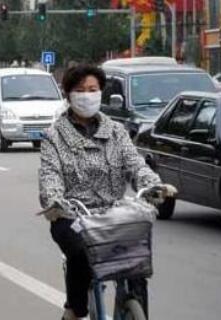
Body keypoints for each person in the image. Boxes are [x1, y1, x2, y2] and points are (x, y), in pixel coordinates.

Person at [38, 65, 176, 320]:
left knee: (136, 259)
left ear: (101, 93)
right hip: (73, 215)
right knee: (80, 253)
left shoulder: (116, 131)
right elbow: (50, 175)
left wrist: (153, 184)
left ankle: (135, 309)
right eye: (80, 91)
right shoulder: (53, 136)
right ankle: (74, 310)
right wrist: (54, 200)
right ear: (68, 95)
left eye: (92, 90)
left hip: (114, 213)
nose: (87, 95)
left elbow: (135, 164)